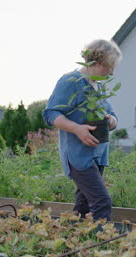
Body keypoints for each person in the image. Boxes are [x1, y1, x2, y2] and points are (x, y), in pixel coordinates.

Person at [42, 39, 122, 220]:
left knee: (83, 205)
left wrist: (111, 122)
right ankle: (103, 245)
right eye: (108, 66)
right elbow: (51, 114)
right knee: (102, 201)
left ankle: (75, 242)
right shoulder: (71, 81)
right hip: (79, 155)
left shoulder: (99, 86)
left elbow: (113, 116)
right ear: (95, 62)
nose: (111, 72)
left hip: (98, 154)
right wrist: (77, 129)